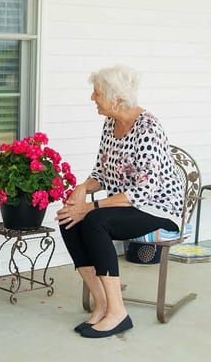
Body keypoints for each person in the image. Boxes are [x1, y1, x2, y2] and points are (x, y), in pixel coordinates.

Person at [56, 65, 183, 338]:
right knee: (69, 219)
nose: (93, 98)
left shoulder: (148, 128)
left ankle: (118, 312)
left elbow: (143, 191)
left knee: (95, 221)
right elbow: (102, 173)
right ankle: (102, 304)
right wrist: (81, 189)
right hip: (126, 205)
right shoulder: (110, 123)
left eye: (97, 93)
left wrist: (89, 207)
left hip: (158, 208)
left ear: (116, 99)